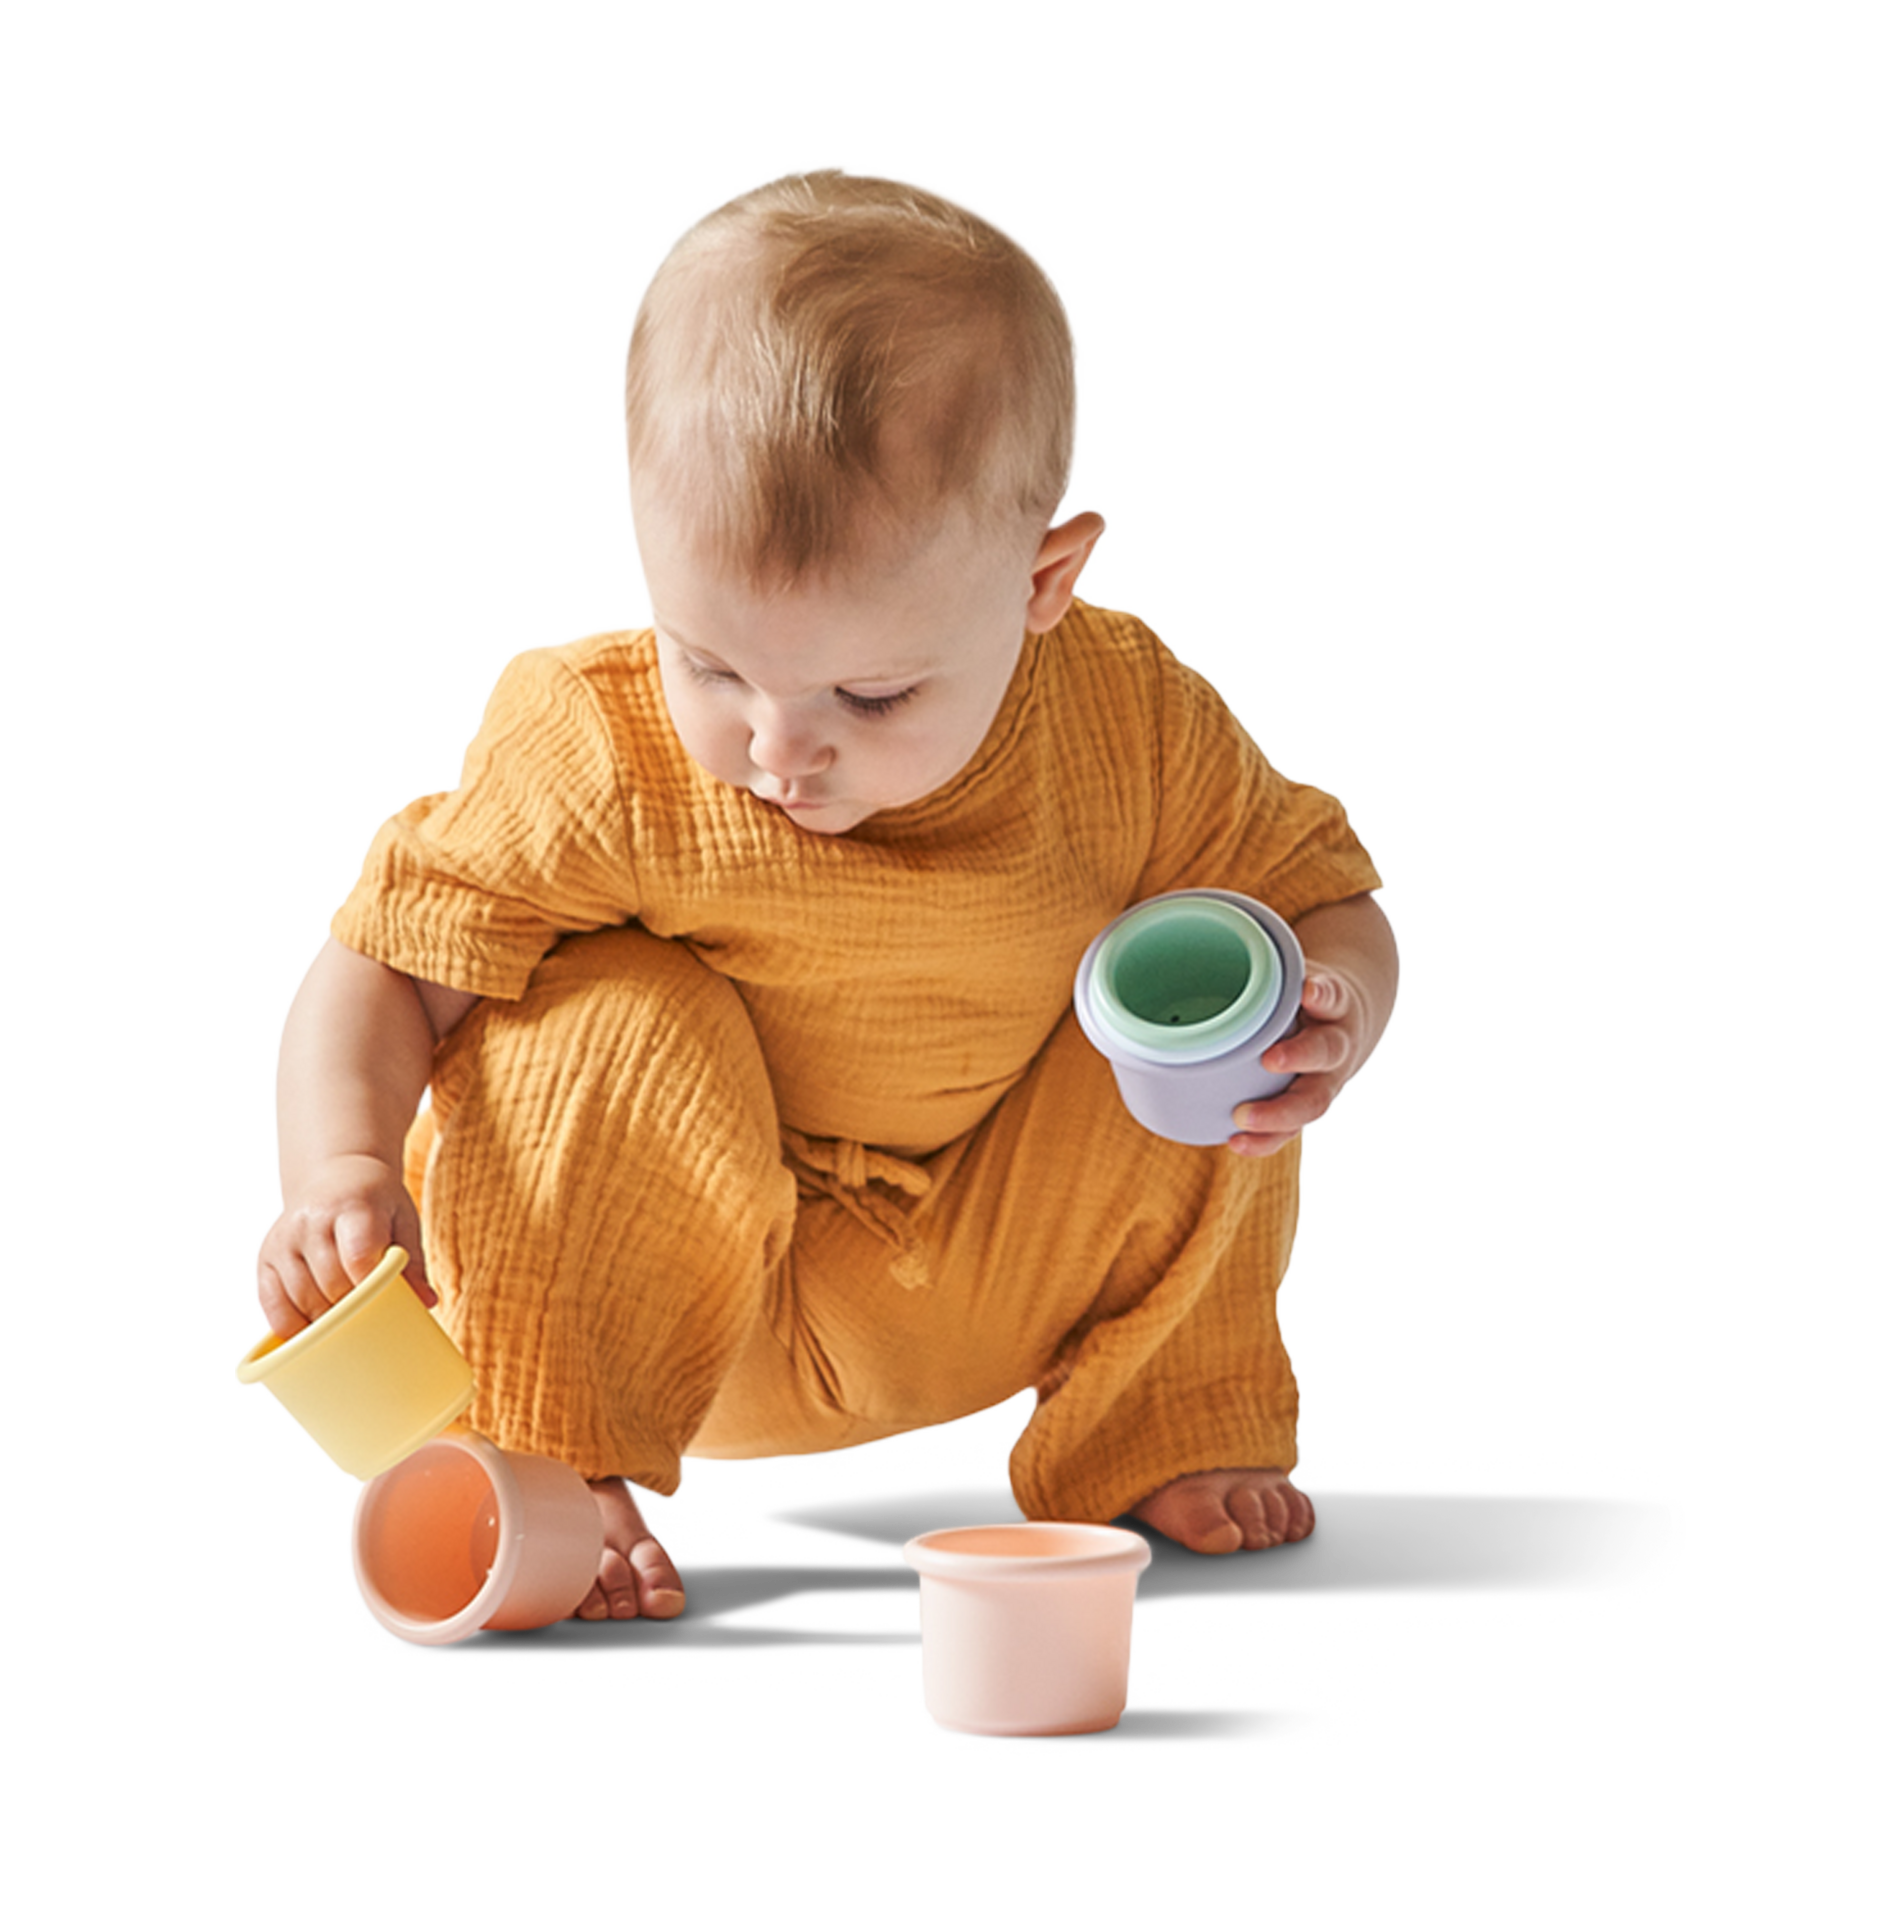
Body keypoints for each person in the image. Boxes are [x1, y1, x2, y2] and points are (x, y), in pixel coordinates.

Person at [255, 163, 1398, 1625]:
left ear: (1043, 581)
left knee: (1218, 1011)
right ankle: (562, 1470)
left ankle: (1150, 1430)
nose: (779, 748)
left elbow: (1327, 896)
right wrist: (340, 1170)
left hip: (983, 1286)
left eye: (871, 692)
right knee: (590, 1014)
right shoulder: (597, 750)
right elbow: (383, 963)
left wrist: (1334, 1012)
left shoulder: (1125, 726)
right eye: (713, 664)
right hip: (662, 1308)